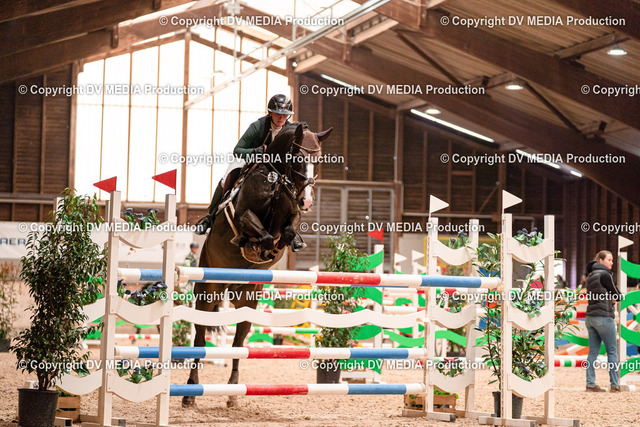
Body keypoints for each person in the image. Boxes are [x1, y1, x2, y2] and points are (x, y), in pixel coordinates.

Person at [194, 94, 305, 251]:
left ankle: (292, 232)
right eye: (278, 114)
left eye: (285, 115)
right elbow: (238, 150)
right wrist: (255, 151)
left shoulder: (289, 129)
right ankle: (209, 217)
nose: (282, 118)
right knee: (226, 178)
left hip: (275, 168)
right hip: (251, 160)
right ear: (270, 113)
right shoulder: (258, 126)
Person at [584, 250, 623, 392]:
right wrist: (614, 298)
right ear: (601, 260)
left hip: (590, 317)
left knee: (592, 352)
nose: (612, 263)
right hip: (604, 317)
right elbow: (617, 295)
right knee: (612, 351)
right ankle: (614, 384)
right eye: (609, 260)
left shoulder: (590, 276)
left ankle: (590, 383)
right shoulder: (605, 274)